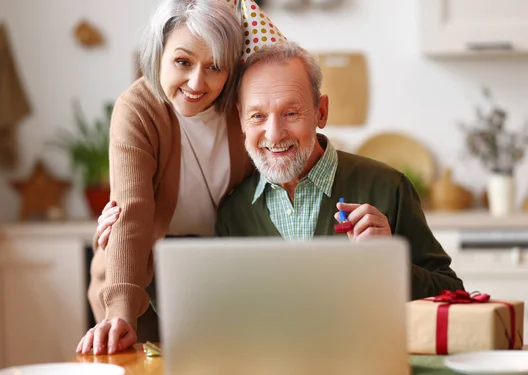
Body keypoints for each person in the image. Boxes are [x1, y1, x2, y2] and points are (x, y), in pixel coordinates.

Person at [96, 42, 464, 307]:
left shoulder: (387, 187)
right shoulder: (234, 212)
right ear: (240, 118)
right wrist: (124, 244)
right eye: (257, 116)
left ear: (320, 112)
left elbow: (455, 295)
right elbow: (216, 316)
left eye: (291, 113)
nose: (274, 135)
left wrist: (391, 262)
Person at [76, 0, 254, 356]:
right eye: (183, 62)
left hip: (218, 273)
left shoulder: (243, 105)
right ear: (159, 54)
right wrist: (121, 314)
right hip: (141, 267)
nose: (196, 82)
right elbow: (133, 210)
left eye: (214, 66)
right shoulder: (138, 109)